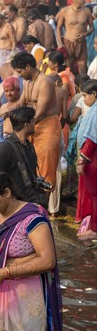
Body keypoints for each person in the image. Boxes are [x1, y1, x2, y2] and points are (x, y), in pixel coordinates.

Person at [0, 170, 64, 331]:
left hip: (26, 294)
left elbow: (48, 260)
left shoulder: (32, 219)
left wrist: (7, 270)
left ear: (7, 193)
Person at [12, 52, 61, 187]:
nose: (19, 75)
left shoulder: (45, 82)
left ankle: (44, 204)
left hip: (47, 127)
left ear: (28, 67)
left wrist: (22, 129)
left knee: (45, 168)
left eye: (20, 71)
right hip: (31, 126)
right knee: (31, 165)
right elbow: (20, 103)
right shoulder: (28, 82)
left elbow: (40, 113)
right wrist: (7, 115)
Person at [0, 106, 48, 208]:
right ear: (26, 124)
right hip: (15, 204)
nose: (34, 124)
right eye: (33, 121)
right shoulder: (5, 148)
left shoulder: (29, 145)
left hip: (31, 199)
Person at [76, 79, 97, 240]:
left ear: (94, 94)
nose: (84, 99)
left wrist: (81, 160)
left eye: (85, 96)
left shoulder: (95, 112)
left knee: (95, 195)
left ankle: (95, 230)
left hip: (92, 159)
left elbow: (91, 138)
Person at [56, 0, 94, 75]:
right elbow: (58, 28)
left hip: (82, 43)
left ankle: (82, 86)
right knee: (69, 69)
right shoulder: (65, 11)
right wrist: (60, 43)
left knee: (83, 68)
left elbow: (92, 28)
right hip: (68, 42)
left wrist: (85, 34)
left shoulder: (87, 11)